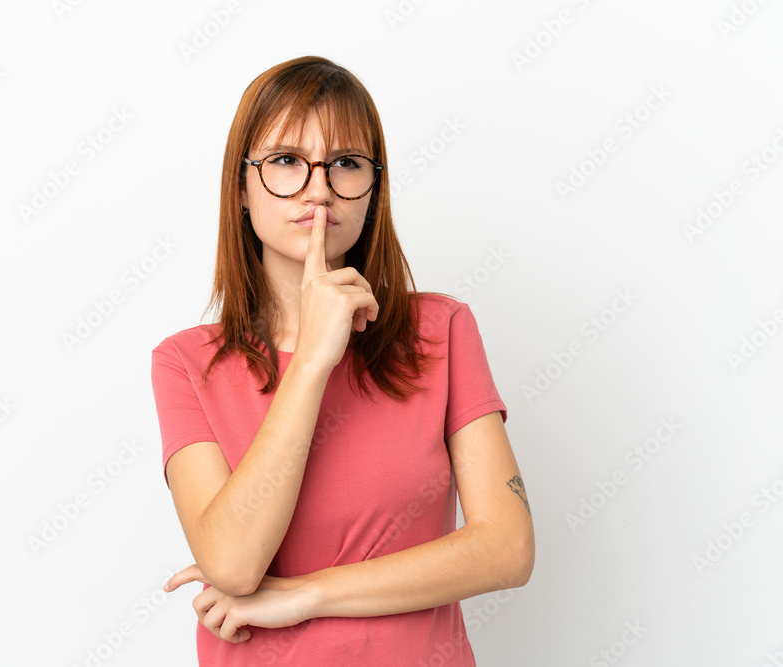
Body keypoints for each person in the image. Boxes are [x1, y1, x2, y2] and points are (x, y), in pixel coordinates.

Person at [151, 55, 534, 666]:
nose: (320, 189)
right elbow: (232, 562)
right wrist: (310, 363)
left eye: (346, 164)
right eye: (285, 162)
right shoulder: (185, 363)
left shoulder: (440, 330)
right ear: (241, 189)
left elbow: (507, 548)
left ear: (372, 190)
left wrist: (305, 596)